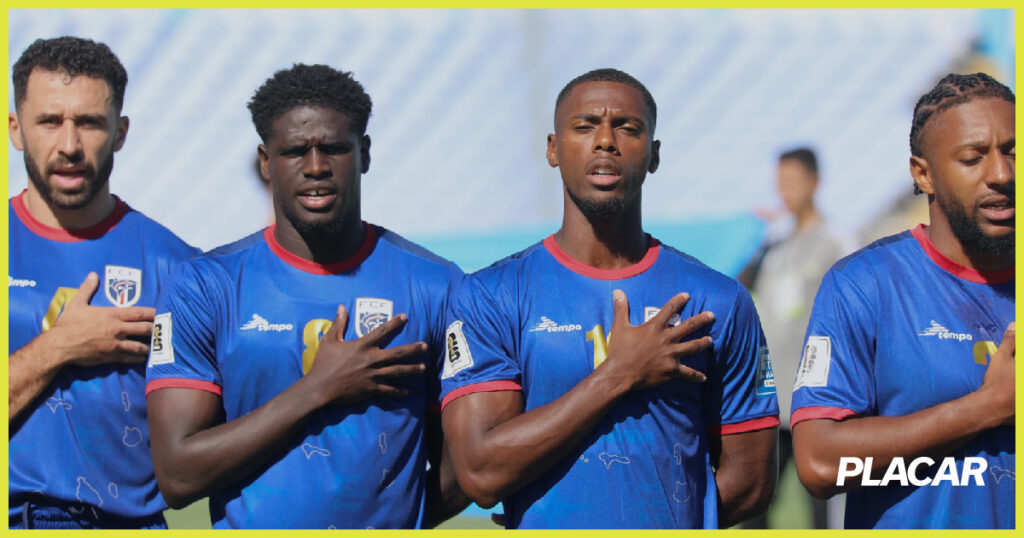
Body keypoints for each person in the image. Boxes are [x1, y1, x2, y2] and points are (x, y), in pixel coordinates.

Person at [439, 68, 779, 529]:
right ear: (553, 149)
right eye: (584, 126)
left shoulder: (720, 299)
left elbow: (752, 481)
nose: (605, 141)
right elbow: (480, 473)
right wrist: (618, 374)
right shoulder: (488, 296)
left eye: (627, 128)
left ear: (654, 154)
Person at [144, 64, 467, 529]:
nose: (316, 167)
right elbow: (177, 476)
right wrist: (319, 388)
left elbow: (464, 469)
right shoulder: (203, 287)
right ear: (265, 162)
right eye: (295, 151)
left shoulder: (437, 286)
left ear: (365, 154)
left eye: (334, 148)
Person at [791, 72, 1015, 529]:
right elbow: (819, 464)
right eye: (973, 158)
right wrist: (987, 407)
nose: (1002, 174)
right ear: (923, 174)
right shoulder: (865, 285)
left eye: (1013, 152)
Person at [8, 36, 198, 528]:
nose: (69, 145)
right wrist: (60, 346)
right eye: (50, 121)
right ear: (15, 130)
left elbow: (204, 438)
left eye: (90, 122)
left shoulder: (178, 267)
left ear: (120, 132)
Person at [737, 147, 848, 528]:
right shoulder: (773, 247)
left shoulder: (835, 243)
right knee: (755, 507)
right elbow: (737, 285)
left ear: (815, 183)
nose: (785, 191)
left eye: (793, 182)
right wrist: (751, 238)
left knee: (823, 508)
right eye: (780, 183)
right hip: (771, 399)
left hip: (816, 402)